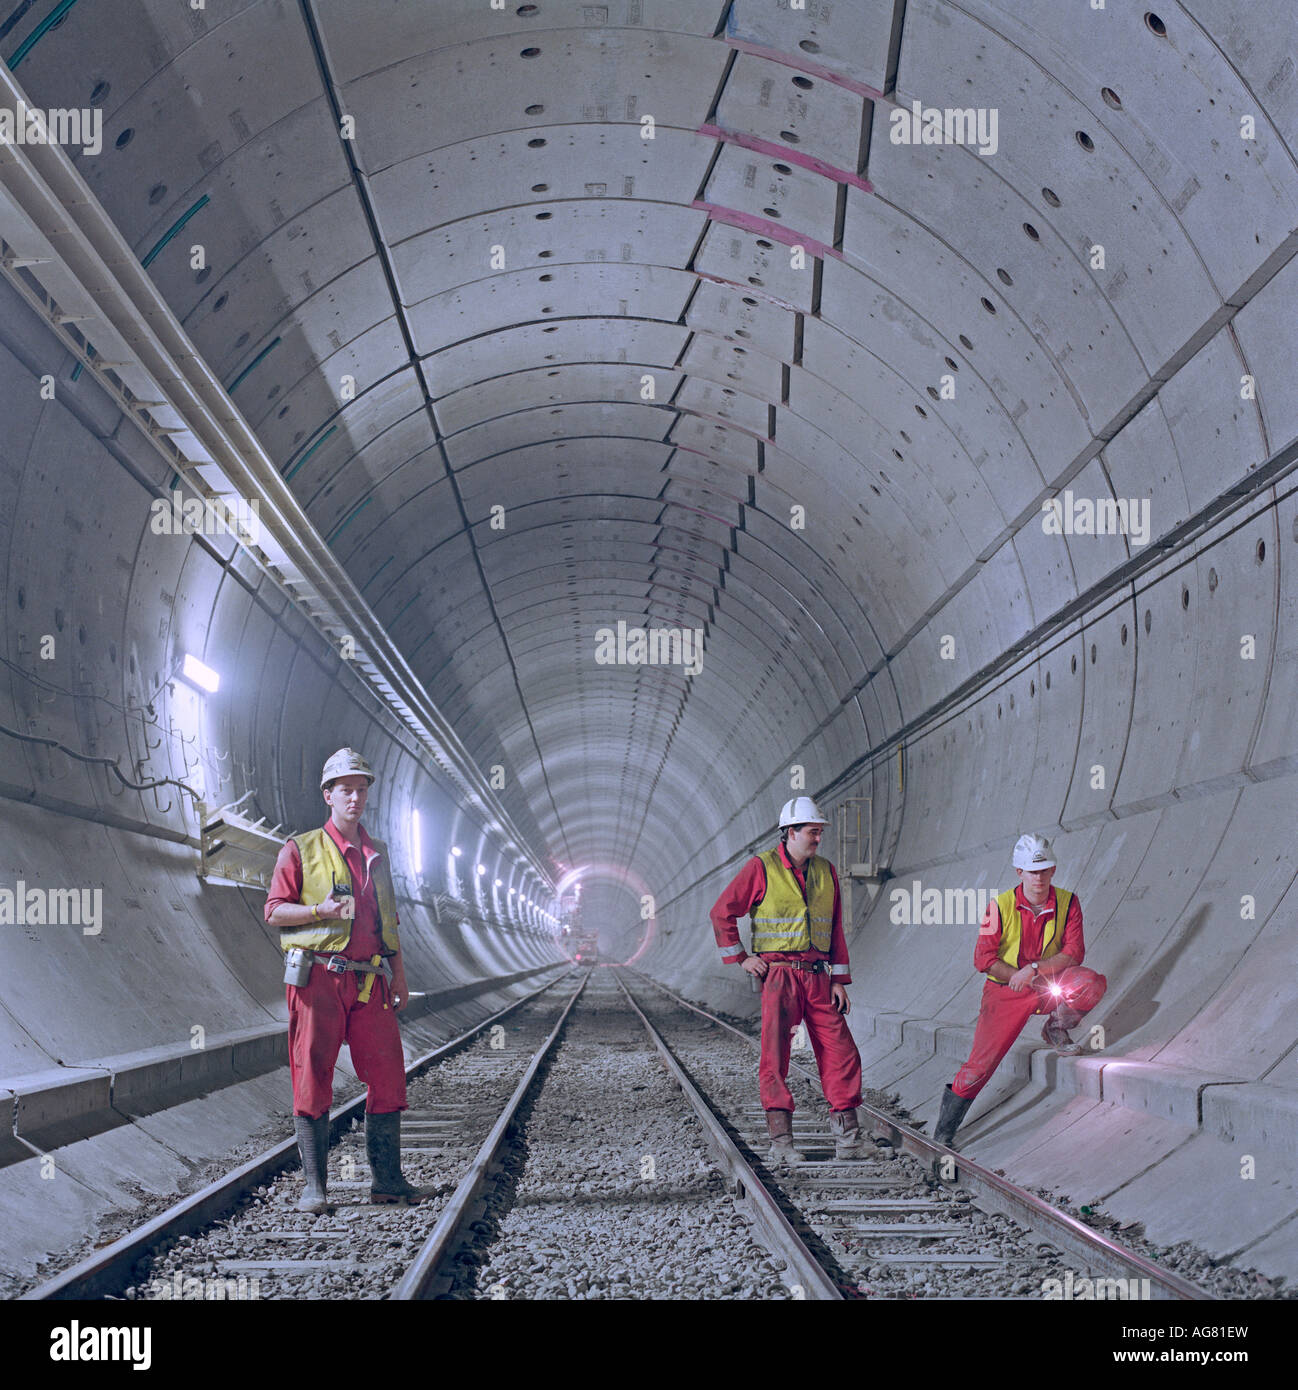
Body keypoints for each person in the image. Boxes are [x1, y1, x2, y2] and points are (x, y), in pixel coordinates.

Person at [265, 748, 431, 1212]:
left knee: (388, 1077)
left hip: (369, 981)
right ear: (328, 795)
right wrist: (320, 910)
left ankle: (388, 1182)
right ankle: (315, 1187)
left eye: (361, 790)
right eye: (346, 790)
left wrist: (398, 975)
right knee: (312, 1077)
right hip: (318, 980)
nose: (355, 798)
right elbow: (275, 910)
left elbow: (388, 922)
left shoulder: (377, 856)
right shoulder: (300, 849)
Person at [710, 796, 865, 1164]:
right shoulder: (761, 868)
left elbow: (835, 928)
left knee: (841, 1053)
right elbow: (721, 913)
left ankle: (850, 1141)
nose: (818, 838)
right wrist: (742, 958)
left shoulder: (826, 872)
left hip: (818, 978)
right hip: (779, 976)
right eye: (813, 831)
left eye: (819, 832)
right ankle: (781, 1144)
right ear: (790, 832)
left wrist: (838, 979)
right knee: (775, 1056)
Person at [933, 833, 1108, 1150]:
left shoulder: (1069, 902)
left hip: (1045, 984)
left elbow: (1074, 953)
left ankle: (1056, 1028)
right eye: (1032, 871)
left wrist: (1035, 970)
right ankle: (944, 1132)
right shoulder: (997, 907)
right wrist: (1015, 975)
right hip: (1005, 994)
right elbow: (983, 959)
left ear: (1053, 870)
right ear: (1019, 873)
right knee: (980, 1067)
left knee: (1088, 983)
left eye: (1044, 870)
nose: (1039, 877)